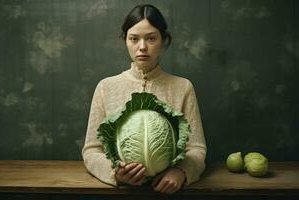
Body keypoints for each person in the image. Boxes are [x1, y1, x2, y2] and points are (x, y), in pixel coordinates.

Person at [82, 4, 207, 194]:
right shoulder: (105, 87)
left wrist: (181, 172)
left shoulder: (183, 87)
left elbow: (197, 149)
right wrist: (115, 172)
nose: (142, 47)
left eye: (151, 38)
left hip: (172, 193)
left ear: (163, 40)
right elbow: (91, 151)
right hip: (120, 193)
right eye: (134, 39)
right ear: (125, 40)